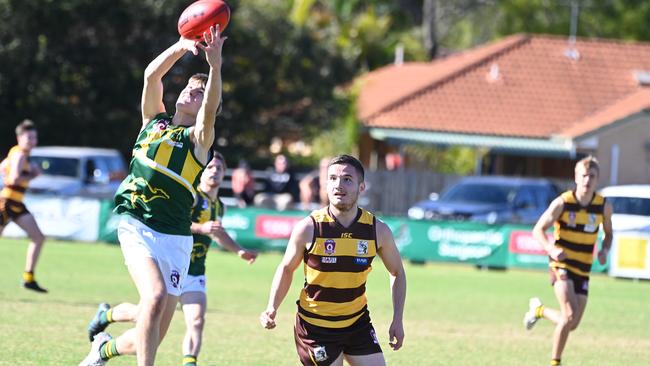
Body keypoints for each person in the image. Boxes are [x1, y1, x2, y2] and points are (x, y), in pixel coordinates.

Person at [79, 25, 226, 366]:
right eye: (190, 87)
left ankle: (102, 350)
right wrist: (179, 46)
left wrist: (215, 66)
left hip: (176, 238)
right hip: (137, 224)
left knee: (153, 332)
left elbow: (211, 106)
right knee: (155, 297)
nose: (192, 92)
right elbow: (150, 76)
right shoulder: (153, 122)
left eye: (200, 93)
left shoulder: (198, 142)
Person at [85, 152, 258, 366]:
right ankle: (106, 319)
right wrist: (201, 228)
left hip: (194, 272)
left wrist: (239, 250)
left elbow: (217, 232)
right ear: (201, 171)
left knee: (196, 320)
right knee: (145, 320)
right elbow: (175, 223)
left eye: (219, 168)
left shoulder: (219, 206)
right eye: (210, 167)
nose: (214, 171)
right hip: (171, 263)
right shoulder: (191, 197)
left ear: (224, 174)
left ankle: (189, 363)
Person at [259, 154, 406, 366]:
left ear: (361, 187)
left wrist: (397, 319)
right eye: (333, 178)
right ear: (326, 184)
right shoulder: (309, 228)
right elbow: (286, 268)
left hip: (357, 324)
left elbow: (397, 272)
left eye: (347, 179)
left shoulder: (377, 230)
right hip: (316, 328)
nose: (339, 185)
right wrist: (272, 307)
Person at [523, 156, 613, 366]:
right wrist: (550, 248)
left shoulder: (603, 207)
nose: (587, 180)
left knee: (571, 323)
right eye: (583, 176)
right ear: (575, 177)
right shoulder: (563, 203)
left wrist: (604, 249)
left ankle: (539, 311)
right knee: (569, 315)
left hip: (583, 269)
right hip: (561, 265)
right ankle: (555, 362)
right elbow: (538, 229)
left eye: (592, 176)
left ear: (597, 179)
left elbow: (609, 234)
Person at [0, 119, 47, 293]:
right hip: (7, 203)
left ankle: (29, 278)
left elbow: (3, 168)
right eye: (28, 137)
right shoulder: (19, 154)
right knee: (38, 238)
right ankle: (28, 277)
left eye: (34, 137)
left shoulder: (17, 153)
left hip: (16, 203)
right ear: (19, 138)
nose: (32, 141)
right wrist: (32, 175)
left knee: (38, 237)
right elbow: (13, 179)